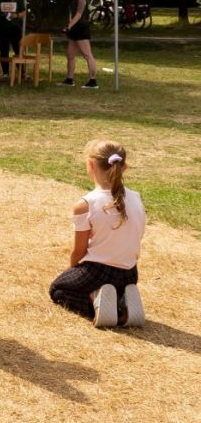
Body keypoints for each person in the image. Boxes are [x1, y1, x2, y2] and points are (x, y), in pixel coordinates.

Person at [49, 140, 146, 327]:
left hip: (97, 272)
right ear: (124, 166)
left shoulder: (86, 204)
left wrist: (71, 271)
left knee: (58, 289)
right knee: (104, 282)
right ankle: (122, 300)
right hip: (129, 274)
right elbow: (137, 235)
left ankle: (105, 307)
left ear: (91, 164)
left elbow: (79, 251)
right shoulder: (136, 198)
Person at [63, 0, 99, 88]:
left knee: (87, 55)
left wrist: (68, 26)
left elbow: (79, 15)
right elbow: (73, 14)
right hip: (74, 29)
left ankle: (93, 81)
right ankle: (69, 79)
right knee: (70, 54)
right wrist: (70, 26)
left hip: (81, 28)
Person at [0, 0, 26, 79]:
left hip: (14, 28)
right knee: (4, 50)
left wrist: (16, 15)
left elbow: (24, 12)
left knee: (18, 50)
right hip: (1, 28)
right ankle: (5, 73)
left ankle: (22, 73)